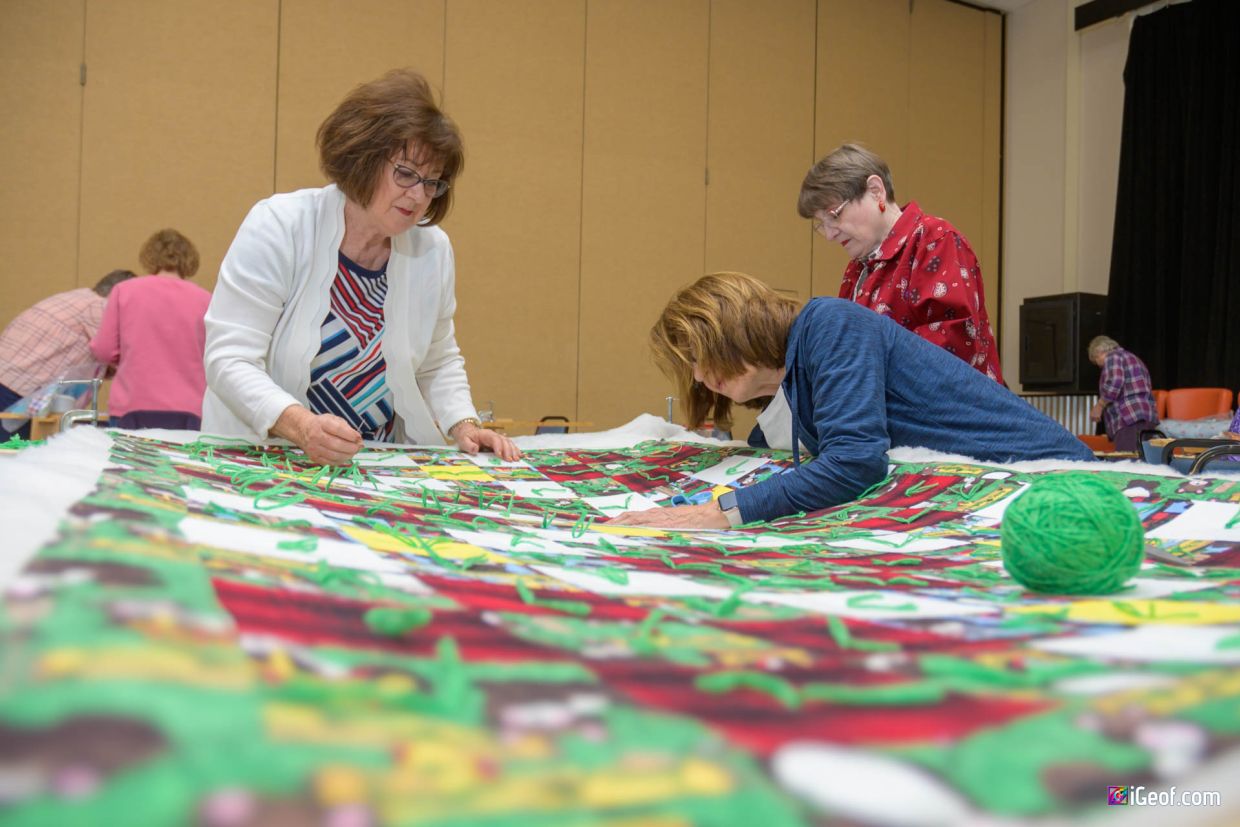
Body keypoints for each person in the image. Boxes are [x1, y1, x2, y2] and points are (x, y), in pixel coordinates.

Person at [202, 68, 518, 465]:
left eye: (432, 182)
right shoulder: (280, 225)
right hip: (264, 458)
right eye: (406, 174)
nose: (418, 196)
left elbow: (437, 360)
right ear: (362, 160)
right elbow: (229, 359)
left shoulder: (432, 250)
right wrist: (301, 427)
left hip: (374, 464)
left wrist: (464, 425)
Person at [609, 273, 1094, 529]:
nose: (697, 376)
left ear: (730, 334)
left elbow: (854, 462)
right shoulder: (798, 379)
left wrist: (719, 512)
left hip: (1056, 475)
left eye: (697, 358)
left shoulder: (830, 323)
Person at [797, 143, 1003, 383]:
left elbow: (952, 345)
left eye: (834, 215)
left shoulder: (935, 240)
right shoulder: (858, 269)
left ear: (876, 191)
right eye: (821, 225)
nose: (830, 234)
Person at [90, 230, 212, 429]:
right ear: (190, 259)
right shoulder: (205, 299)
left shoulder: (124, 291)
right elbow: (213, 356)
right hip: (190, 408)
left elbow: (103, 349)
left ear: (149, 256)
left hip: (132, 404)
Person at [0, 270, 136, 436]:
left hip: (11, 380)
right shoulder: (100, 306)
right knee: (13, 448)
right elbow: (123, 354)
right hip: (17, 390)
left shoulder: (77, 298)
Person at [1087, 335, 1159, 452]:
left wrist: (1099, 406)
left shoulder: (1112, 356)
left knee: (1125, 459)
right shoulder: (1134, 358)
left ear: (1098, 352)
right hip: (1146, 417)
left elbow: (1115, 381)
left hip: (1128, 418)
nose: (1099, 366)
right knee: (1142, 459)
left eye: (1096, 360)